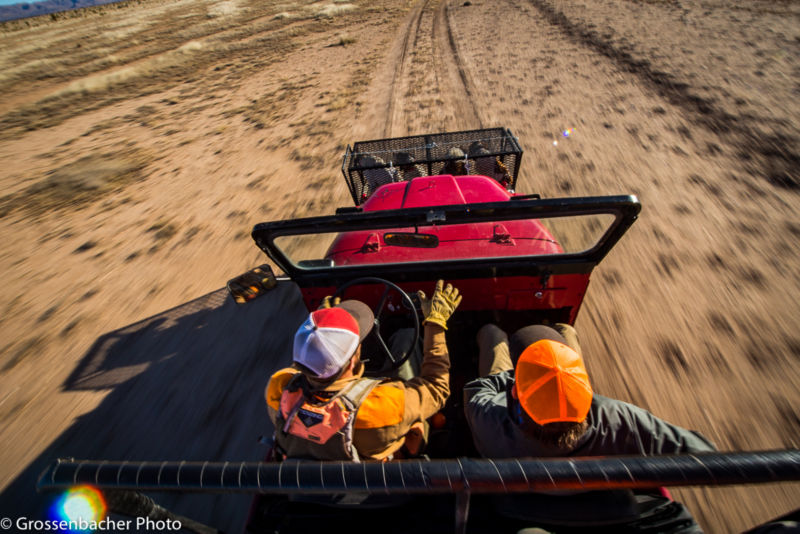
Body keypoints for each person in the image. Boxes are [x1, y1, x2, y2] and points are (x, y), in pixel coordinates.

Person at [265, 280, 462, 461]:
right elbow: (437, 388)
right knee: (406, 339)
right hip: (381, 483)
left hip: (316, 482)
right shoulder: (384, 406)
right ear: (352, 361)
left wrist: (325, 326)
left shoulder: (277, 389)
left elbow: (301, 368)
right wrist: (435, 324)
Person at [464, 323, 716, 458]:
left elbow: (478, 389)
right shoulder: (617, 420)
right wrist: (554, 380)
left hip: (519, 507)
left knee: (491, 332)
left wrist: (525, 377)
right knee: (565, 329)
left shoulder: (488, 419)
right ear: (585, 392)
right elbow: (703, 451)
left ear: (516, 392)